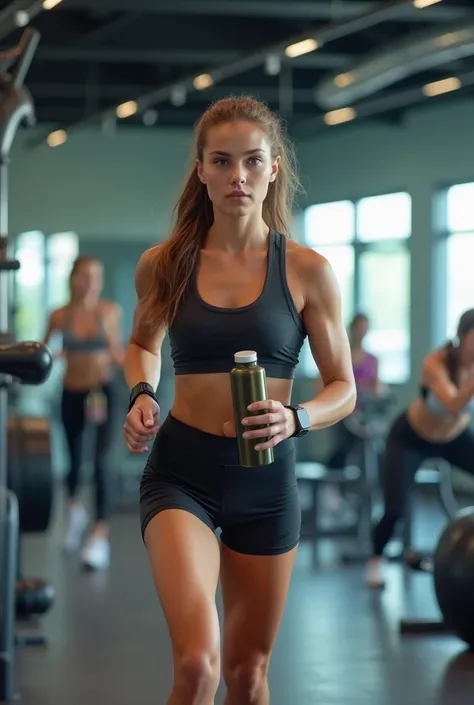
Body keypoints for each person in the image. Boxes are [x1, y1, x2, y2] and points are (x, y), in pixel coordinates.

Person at [123, 96, 356, 705]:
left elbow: (344, 388)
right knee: (199, 665)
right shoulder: (165, 264)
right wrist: (142, 392)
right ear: (200, 169)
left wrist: (297, 417)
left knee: (247, 675)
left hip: (267, 481)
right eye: (222, 162)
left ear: (274, 167)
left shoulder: (306, 271)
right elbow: (141, 345)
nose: (237, 176)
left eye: (252, 161)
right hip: (181, 475)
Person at [367, 308, 474, 589]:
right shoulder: (435, 363)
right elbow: (452, 405)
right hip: (411, 436)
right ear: (462, 337)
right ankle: (376, 560)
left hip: (454, 437)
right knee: (395, 506)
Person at [44, 256, 124, 571]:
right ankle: (75, 512)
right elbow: (44, 350)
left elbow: (117, 353)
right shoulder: (59, 315)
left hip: (103, 392)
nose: (91, 282)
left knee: (102, 462)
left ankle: (99, 536)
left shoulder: (109, 312)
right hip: (72, 392)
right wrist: (60, 351)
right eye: (86, 276)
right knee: (75, 461)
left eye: (97, 276)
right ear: (73, 278)